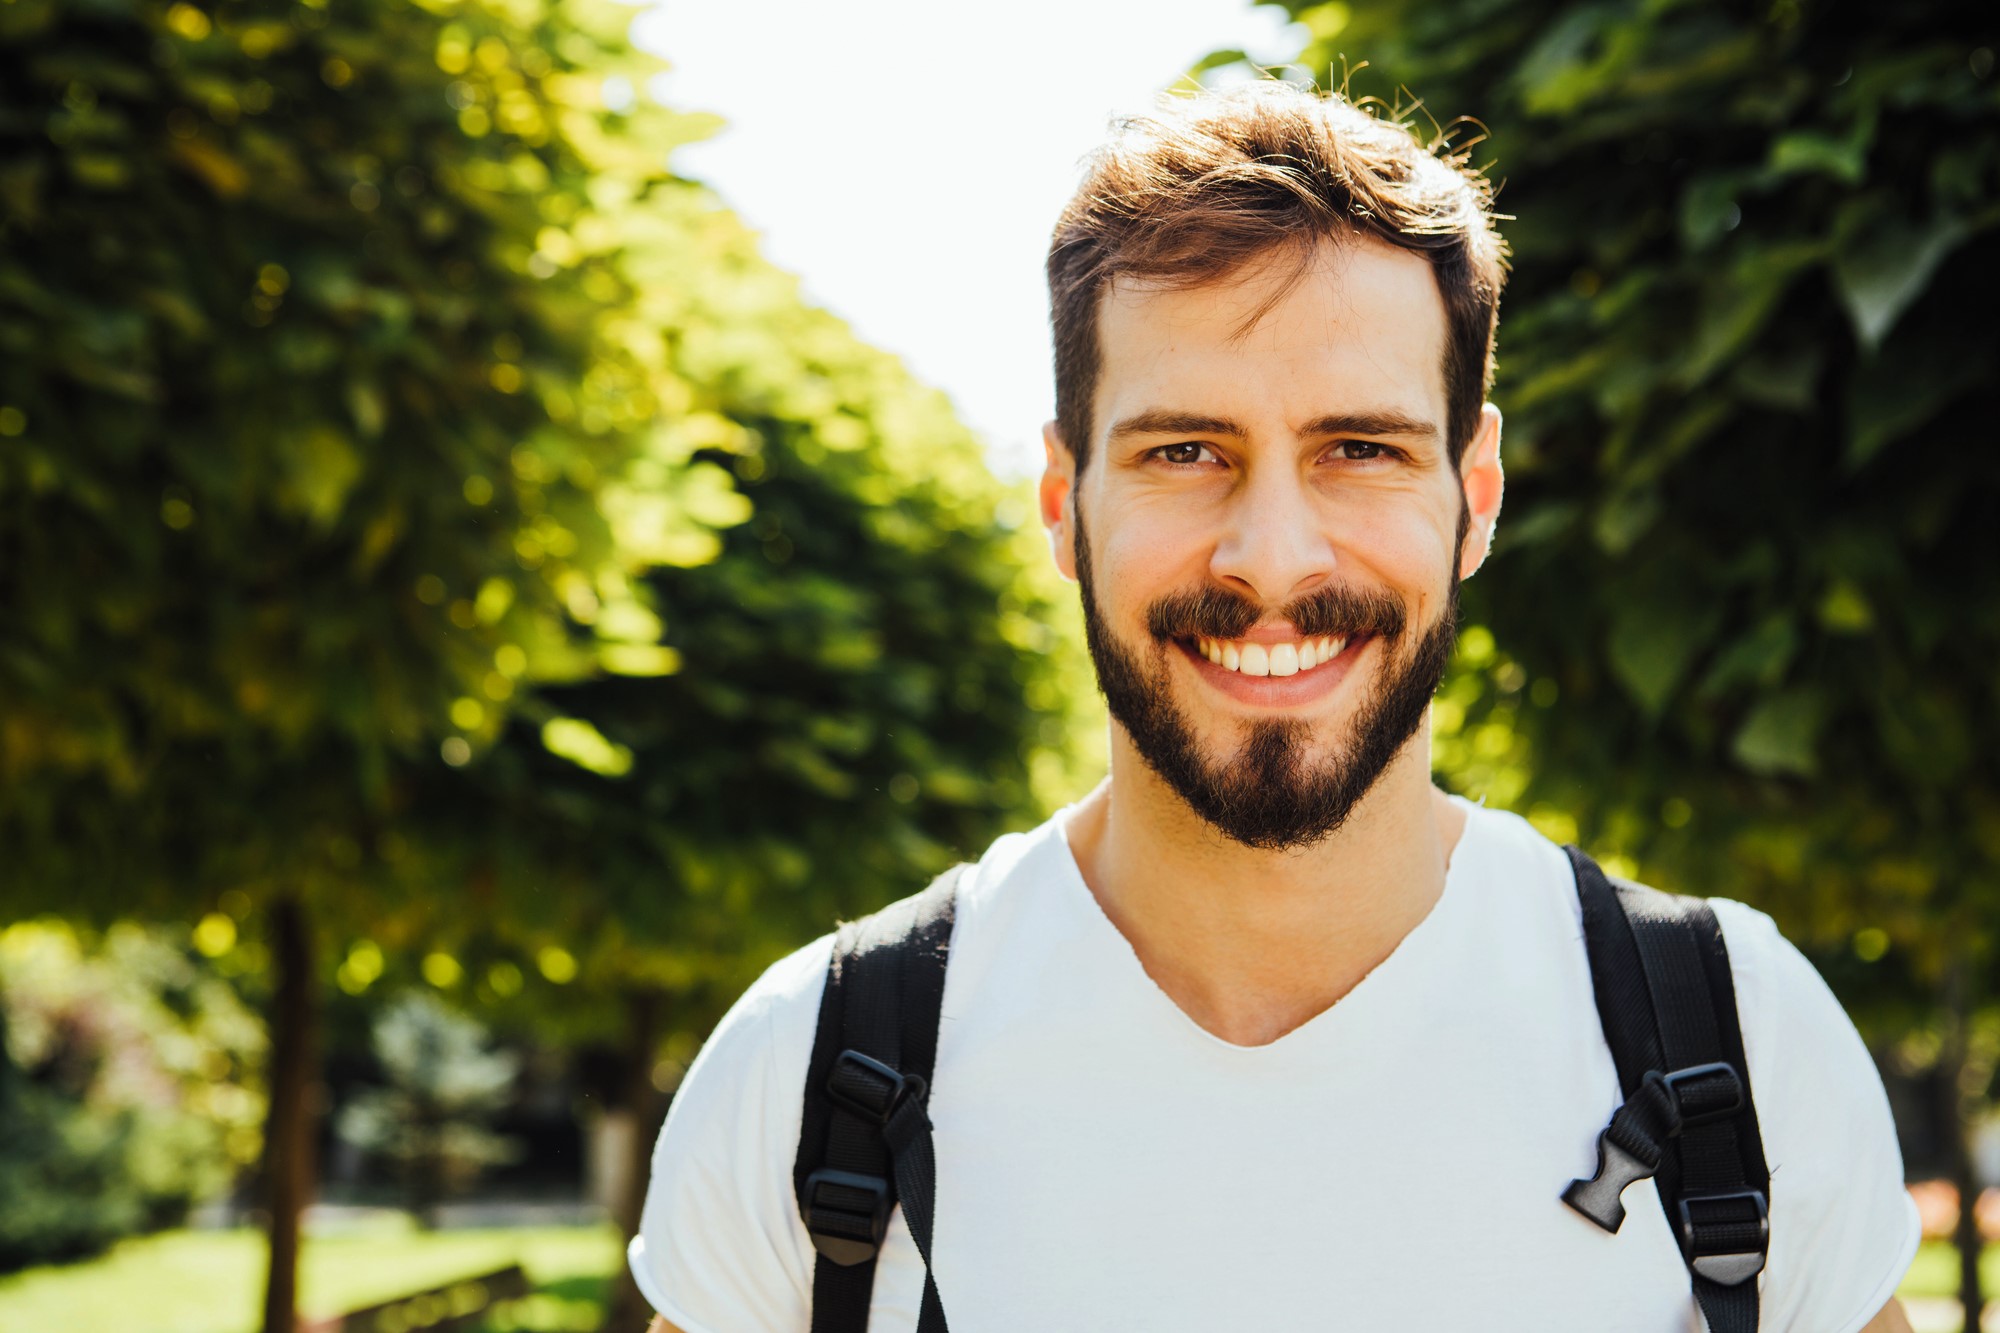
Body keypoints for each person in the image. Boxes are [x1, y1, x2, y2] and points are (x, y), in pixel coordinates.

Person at [629, 81, 1918, 1332]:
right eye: (1184, 451)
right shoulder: (804, 1076)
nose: (1274, 559)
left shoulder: (1742, 1040)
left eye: (1360, 449)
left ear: (1475, 494)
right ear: (1060, 501)